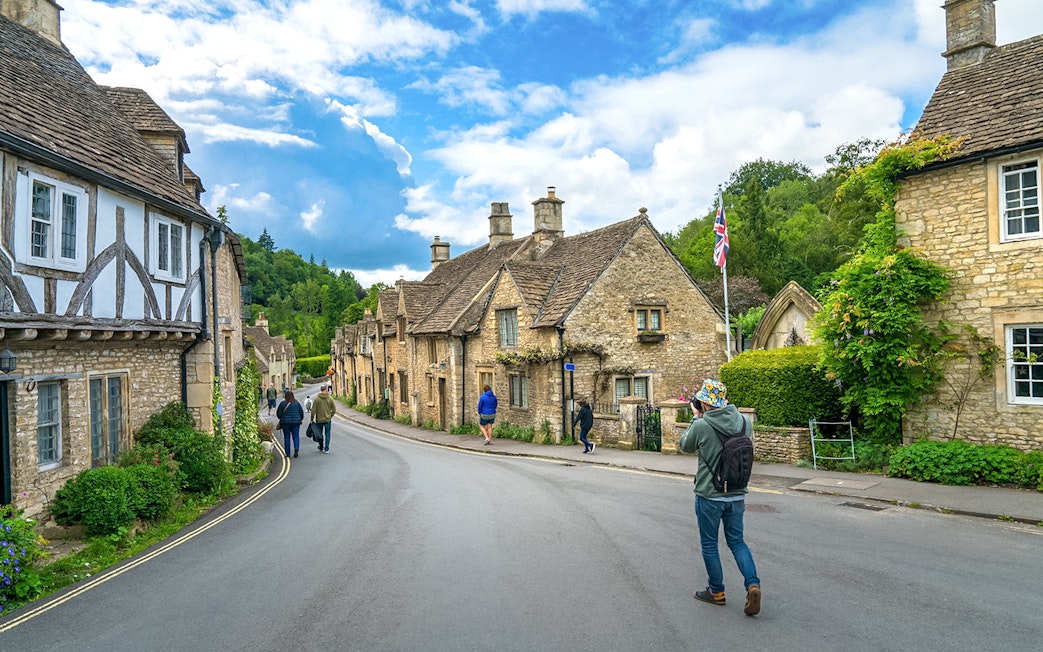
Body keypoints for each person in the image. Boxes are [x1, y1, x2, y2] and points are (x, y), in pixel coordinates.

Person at [678, 378, 761, 617]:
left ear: (704, 402)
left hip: (709, 495)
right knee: (737, 541)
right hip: (736, 494)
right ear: (723, 400)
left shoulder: (702, 425)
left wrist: (695, 417)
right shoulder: (745, 422)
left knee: (709, 544)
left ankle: (716, 591)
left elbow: (684, 445)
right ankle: (752, 583)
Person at [275, 390, 305, 458]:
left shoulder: (282, 404)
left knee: (287, 437)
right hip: (296, 423)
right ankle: (296, 448)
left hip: (285, 423)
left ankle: (287, 453)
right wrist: (300, 419)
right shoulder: (297, 403)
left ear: (285, 396)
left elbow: (278, 414)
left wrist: (281, 418)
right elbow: (301, 413)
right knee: (296, 436)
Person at [311, 384, 337, 454]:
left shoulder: (316, 399)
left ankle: (321, 446)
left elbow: (313, 410)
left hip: (319, 420)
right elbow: (334, 410)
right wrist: (330, 416)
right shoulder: (330, 398)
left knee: (320, 434)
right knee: (327, 434)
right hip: (327, 420)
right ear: (325, 389)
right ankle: (327, 448)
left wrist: (311, 418)